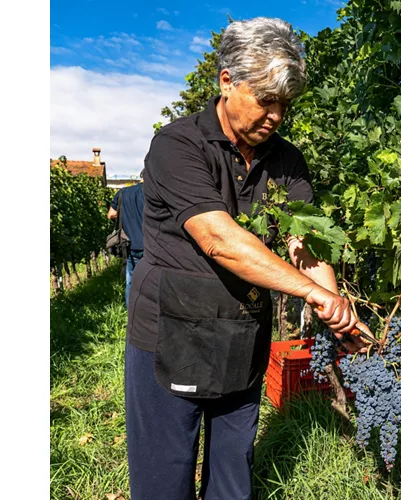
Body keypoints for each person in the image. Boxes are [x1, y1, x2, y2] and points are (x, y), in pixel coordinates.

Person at [123, 17, 365, 500]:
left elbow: (305, 242)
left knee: (233, 484)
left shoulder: (287, 160)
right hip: (170, 335)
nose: (276, 115)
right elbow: (218, 238)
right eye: (266, 99)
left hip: (242, 336)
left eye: (285, 104)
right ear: (227, 80)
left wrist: (336, 309)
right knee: (163, 484)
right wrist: (309, 292)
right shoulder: (177, 145)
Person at [107, 170, 145, 308]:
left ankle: (132, 313)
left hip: (128, 245)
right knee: (150, 281)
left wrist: (126, 214)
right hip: (151, 246)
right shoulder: (154, 193)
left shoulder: (123, 193)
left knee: (131, 281)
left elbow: (111, 215)